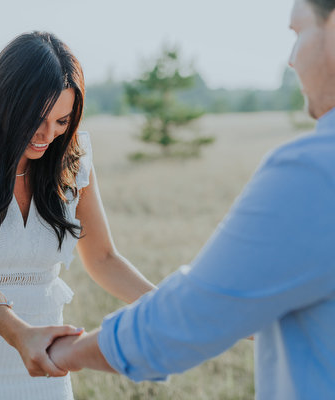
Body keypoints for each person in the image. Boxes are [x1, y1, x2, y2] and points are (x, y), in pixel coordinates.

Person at [47, 1, 335, 399]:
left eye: (297, 32)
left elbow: (187, 319)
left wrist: (68, 352)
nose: (291, 59)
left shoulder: (314, 172)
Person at [0, 31, 155, 399]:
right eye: (36, 118)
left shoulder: (73, 161)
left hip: (42, 354)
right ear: (5, 101)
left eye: (61, 121)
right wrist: (19, 333)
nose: (47, 134)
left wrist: (175, 308)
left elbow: (103, 258)